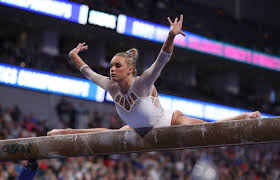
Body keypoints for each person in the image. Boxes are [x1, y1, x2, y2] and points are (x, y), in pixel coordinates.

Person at [47, 15, 261, 136]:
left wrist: (170, 36)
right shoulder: (110, 86)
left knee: (207, 130)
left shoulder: (142, 84)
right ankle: (65, 132)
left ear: (130, 69)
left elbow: (162, 60)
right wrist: (74, 55)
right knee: (105, 134)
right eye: (111, 65)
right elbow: (88, 72)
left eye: (117, 65)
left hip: (167, 122)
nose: (111, 69)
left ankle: (243, 117)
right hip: (138, 129)